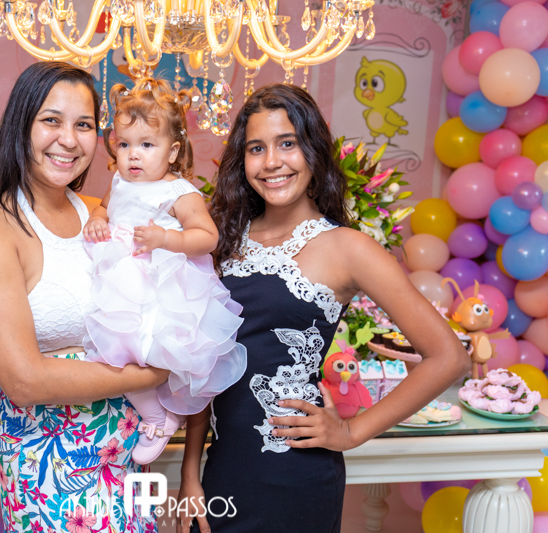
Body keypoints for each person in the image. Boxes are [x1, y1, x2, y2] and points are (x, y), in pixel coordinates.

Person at [177, 84, 470, 533]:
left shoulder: (348, 248)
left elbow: (449, 357)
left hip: (297, 477)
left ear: (313, 150)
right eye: (256, 148)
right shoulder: (222, 239)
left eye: (287, 143)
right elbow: (202, 364)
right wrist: (189, 473)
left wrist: (352, 432)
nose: (271, 162)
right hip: (222, 472)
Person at [0, 62, 166, 533]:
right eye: (51, 120)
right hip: (50, 464)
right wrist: (155, 371)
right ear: (21, 125)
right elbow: (24, 380)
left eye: (84, 125)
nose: (68, 140)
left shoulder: (104, 215)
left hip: (130, 449)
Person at [82, 78, 247, 465]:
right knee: (111, 353)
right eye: (124, 145)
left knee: (145, 353)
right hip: (120, 283)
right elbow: (105, 207)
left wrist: (165, 238)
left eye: (146, 145)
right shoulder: (120, 182)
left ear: (172, 151)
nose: (132, 156)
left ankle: (160, 417)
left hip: (159, 285)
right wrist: (97, 218)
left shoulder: (179, 192)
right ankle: (158, 414)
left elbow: (207, 236)